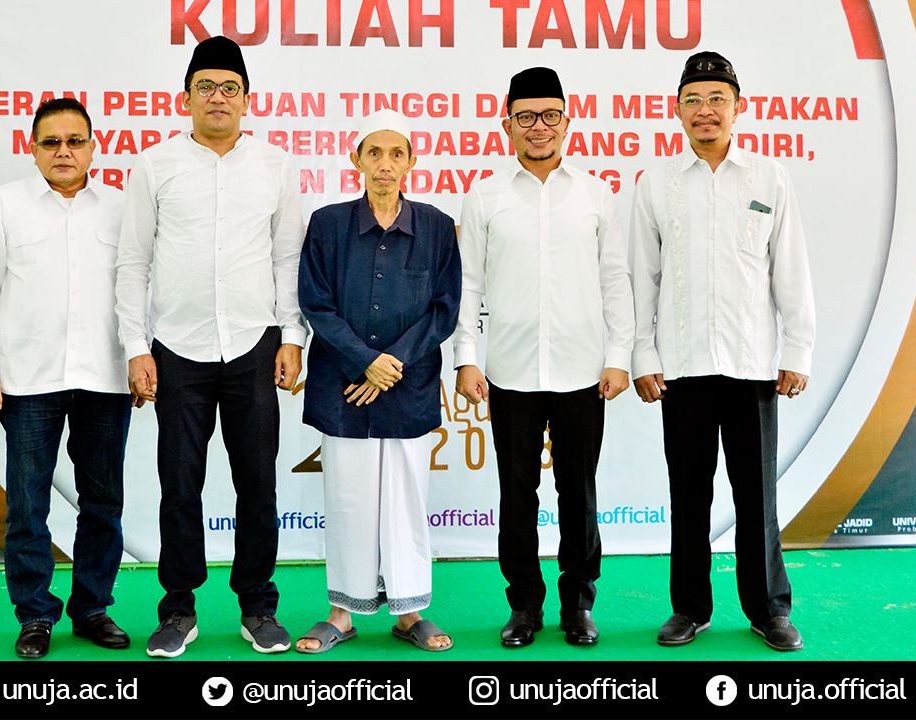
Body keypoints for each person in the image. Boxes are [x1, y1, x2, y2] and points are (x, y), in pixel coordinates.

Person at [115, 35, 307, 657]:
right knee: (179, 484)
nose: (218, 98)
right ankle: (178, 610)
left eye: (230, 88)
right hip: (176, 350)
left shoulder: (276, 165)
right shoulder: (155, 165)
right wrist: (136, 347)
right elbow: (132, 262)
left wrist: (291, 336)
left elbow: (287, 260)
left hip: (254, 345)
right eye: (206, 88)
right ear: (187, 97)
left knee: (258, 483)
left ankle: (258, 606)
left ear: (248, 99)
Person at [628, 52, 815, 652]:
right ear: (675, 110)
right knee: (689, 491)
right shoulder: (655, 182)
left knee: (756, 493)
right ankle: (690, 609)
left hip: (753, 362)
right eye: (693, 101)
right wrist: (642, 356)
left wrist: (798, 350)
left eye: (717, 100)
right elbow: (641, 278)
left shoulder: (768, 178)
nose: (705, 112)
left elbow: (791, 271)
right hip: (680, 367)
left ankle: (769, 609)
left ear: (739, 108)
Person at [454, 67, 634, 648]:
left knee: (578, 492)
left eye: (550, 115)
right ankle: (524, 607)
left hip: (584, 371)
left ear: (567, 121)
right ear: (506, 123)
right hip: (508, 372)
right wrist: (466, 358)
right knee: (516, 494)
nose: (539, 127)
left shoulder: (595, 194)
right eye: (526, 116)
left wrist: (619, 355)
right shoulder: (484, 196)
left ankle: (578, 605)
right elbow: (469, 287)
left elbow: (615, 280)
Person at [0, 98, 132, 659]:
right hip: (27, 380)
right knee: (28, 505)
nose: (64, 151)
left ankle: (92, 610)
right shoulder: (6, 204)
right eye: (51, 142)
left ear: (93, 146)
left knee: (102, 501)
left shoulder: (119, 208)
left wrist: (139, 355)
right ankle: (35, 615)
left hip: (105, 377)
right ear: (32, 148)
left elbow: (138, 293)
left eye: (75, 141)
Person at [294, 109, 460, 654]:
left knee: (409, 497)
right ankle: (341, 614)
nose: (385, 165)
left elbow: (444, 310)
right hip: (344, 386)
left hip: (407, 386)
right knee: (348, 497)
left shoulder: (436, 225)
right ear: (356, 160)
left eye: (397, 154)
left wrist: (392, 363)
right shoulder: (326, 223)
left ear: (412, 162)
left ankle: (411, 612)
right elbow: (315, 304)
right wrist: (364, 361)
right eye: (375, 153)